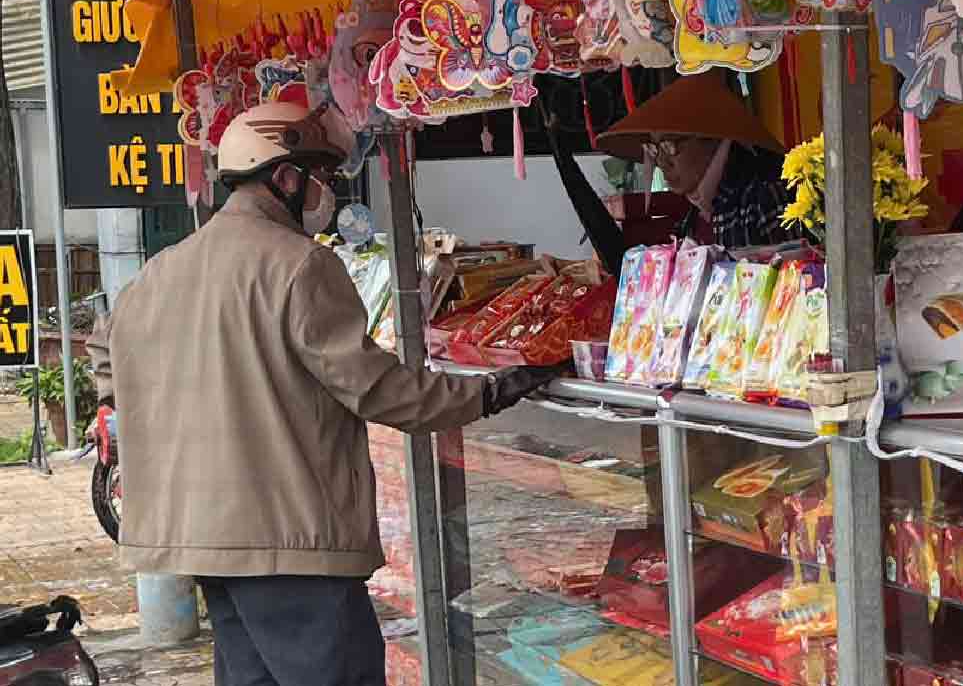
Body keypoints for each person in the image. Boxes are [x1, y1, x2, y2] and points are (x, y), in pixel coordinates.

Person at [88, 101, 557, 686]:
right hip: (289, 541)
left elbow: (102, 346)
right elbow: (379, 389)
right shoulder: (300, 266)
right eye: (322, 178)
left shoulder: (160, 271)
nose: (327, 192)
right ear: (286, 178)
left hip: (201, 541)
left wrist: (114, 402)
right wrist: (485, 394)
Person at [548, 71, 788, 267]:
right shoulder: (694, 216)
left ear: (712, 138)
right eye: (654, 149)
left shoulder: (764, 193)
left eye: (670, 145)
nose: (662, 161)